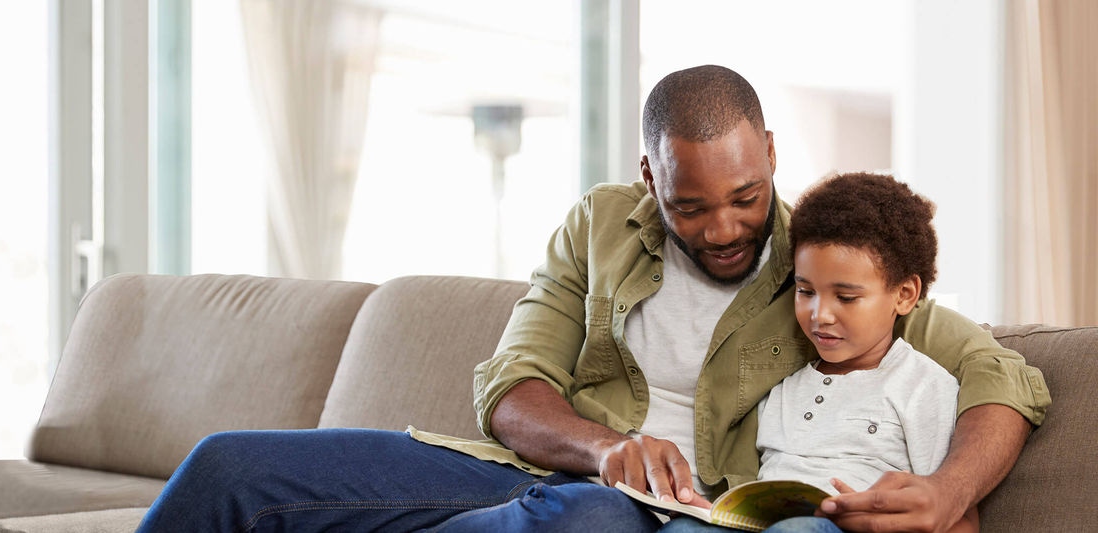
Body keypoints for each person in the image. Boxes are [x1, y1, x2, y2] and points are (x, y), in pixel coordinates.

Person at [135, 65, 1049, 532]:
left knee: (582, 522)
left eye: (743, 198)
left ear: (771, 153)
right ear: (648, 175)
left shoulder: (826, 265)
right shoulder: (600, 225)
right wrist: (607, 446)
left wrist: (946, 489)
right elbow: (511, 384)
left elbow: (1001, 375)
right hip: (538, 473)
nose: (725, 228)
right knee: (228, 468)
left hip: (675, 513)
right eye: (691, 206)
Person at [661, 172, 977, 533]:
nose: (819, 315)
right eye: (806, 291)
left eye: (845, 297)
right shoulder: (782, 385)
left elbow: (959, 519)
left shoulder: (923, 385)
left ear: (904, 295)